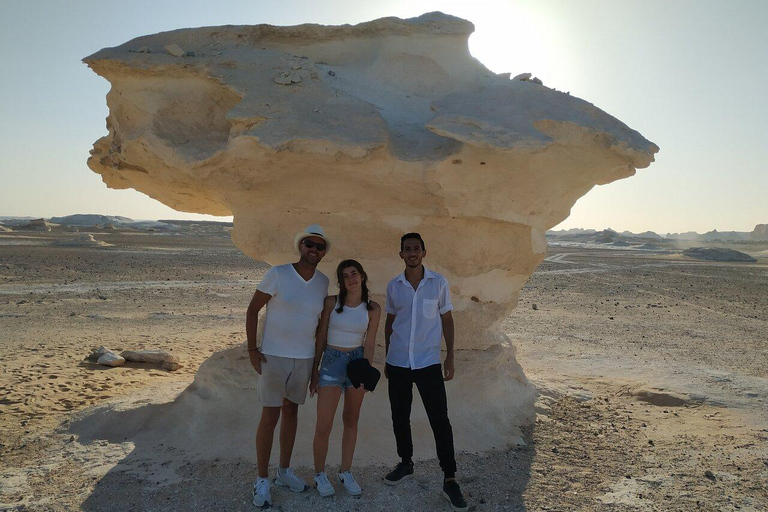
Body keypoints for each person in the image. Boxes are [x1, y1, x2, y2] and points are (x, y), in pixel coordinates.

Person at [246, 224, 331, 508]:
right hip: (273, 356)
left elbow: (320, 327)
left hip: (304, 358)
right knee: (269, 416)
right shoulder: (279, 273)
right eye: (309, 244)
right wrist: (252, 349)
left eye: (319, 247)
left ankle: (283, 472)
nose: (314, 250)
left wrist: (316, 365)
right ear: (300, 246)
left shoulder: (323, 282)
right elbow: (252, 309)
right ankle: (261, 479)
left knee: (291, 412)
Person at [383, 233, 468, 512]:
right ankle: (406, 463)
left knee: (439, 420)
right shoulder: (394, 286)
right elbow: (391, 321)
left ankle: (450, 477)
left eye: (416, 248)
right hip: (398, 362)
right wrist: (387, 357)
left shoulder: (438, 283)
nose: (411, 253)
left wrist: (451, 355)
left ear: (423, 252)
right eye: (407, 249)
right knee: (399, 416)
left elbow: (447, 320)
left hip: (428, 362)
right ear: (401, 254)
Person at [309, 260, 381, 497]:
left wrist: (366, 373)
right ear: (341, 281)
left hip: (356, 363)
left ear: (362, 276)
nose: (351, 278)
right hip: (331, 363)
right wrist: (314, 370)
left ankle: (345, 471)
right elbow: (320, 337)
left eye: (354, 273)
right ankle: (320, 474)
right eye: (345, 275)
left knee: (351, 419)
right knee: (324, 424)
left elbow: (369, 343)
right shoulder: (332, 302)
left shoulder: (373, 309)